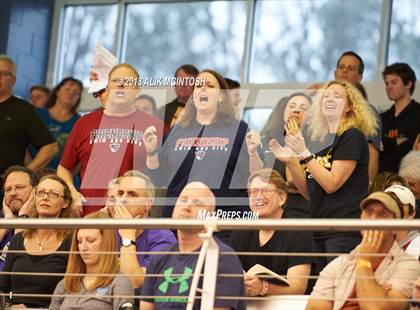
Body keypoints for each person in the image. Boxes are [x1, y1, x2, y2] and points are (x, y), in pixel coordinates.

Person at [143, 69, 263, 241]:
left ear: (221, 96)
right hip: (179, 225)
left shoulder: (239, 129)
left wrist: (252, 153)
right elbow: (158, 179)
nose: (203, 89)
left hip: (224, 226)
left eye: (210, 85)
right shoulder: (177, 131)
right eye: (198, 85)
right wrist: (151, 151)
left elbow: (256, 177)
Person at [270, 80, 378, 270]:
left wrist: (303, 152)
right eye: (326, 95)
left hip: (342, 229)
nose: (330, 98)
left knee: (338, 290)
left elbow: (332, 183)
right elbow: (308, 192)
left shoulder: (352, 135)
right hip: (318, 227)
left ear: (350, 107)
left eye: (337, 96)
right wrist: (291, 161)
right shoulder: (321, 141)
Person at [57, 63, 163, 215]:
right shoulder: (85, 123)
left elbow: (162, 178)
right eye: (115, 81)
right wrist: (72, 192)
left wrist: (152, 153)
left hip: (132, 218)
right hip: (89, 217)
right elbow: (64, 167)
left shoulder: (154, 126)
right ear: (107, 87)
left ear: (137, 92)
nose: (121, 84)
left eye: (127, 82)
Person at [139, 182, 246, 310]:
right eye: (183, 200)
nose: (187, 206)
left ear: (210, 217)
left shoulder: (223, 258)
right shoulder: (160, 257)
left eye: (198, 203)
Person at [306, 191, 420, 310]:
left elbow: (376, 308)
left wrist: (363, 261)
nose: (373, 219)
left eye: (383, 214)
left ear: (395, 228)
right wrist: (377, 292)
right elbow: (314, 308)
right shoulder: (340, 263)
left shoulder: (408, 265)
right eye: (369, 212)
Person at [230, 168, 317, 296]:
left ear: (281, 198)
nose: (258, 197)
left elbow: (298, 288)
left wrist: (263, 288)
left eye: (265, 191)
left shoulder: (299, 232)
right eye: (253, 192)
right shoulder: (239, 233)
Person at [0, 174, 74, 308]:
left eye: (53, 194)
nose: (45, 197)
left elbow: (74, 295)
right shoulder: (19, 238)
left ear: (65, 203)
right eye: (40, 193)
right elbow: (2, 286)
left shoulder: (72, 241)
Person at [309, 51, 382, 182]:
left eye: (351, 69)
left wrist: (368, 186)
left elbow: (371, 154)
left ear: (360, 77)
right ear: (335, 73)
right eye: (341, 67)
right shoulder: (320, 111)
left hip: (349, 189)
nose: (344, 72)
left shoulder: (367, 112)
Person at [104, 170, 176, 292]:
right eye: (120, 193)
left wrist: (128, 235)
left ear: (148, 203)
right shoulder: (105, 229)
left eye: (132, 195)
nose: (123, 199)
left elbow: (134, 282)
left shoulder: (163, 237)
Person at [49, 211, 134, 310]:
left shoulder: (119, 282)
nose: (83, 248)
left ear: (106, 242)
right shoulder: (66, 283)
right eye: (79, 241)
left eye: (91, 241)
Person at [0, 55, 58, 176]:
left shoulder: (23, 110)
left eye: (3, 73)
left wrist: (24, 175)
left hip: (5, 188)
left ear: (13, 80)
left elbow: (51, 147)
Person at [260, 93, 312, 218]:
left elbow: (293, 183)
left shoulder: (314, 143)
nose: (296, 110)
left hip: (303, 212)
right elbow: (261, 178)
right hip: (273, 210)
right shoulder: (270, 142)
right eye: (292, 106)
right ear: (284, 112)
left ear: (311, 117)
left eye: (303, 108)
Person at [30, 77, 83, 169]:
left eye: (76, 92)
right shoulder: (36, 113)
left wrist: (61, 175)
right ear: (57, 91)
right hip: (31, 169)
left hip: (60, 176)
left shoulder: (81, 123)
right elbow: (23, 144)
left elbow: (81, 157)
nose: (71, 93)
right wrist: (30, 169)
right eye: (67, 89)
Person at [380, 62, 420, 173]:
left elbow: (414, 148)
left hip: (409, 179)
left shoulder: (418, 114)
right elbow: (376, 148)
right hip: (382, 177)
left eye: (394, 82)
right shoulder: (382, 118)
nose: (388, 87)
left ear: (408, 84)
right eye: (387, 83)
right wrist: (396, 141)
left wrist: (387, 143)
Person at [0, 166, 39, 270]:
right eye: (8, 189)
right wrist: (7, 220)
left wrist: (23, 217)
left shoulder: (43, 221)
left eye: (19, 187)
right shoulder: (2, 218)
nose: (12, 193)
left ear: (35, 191)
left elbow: (18, 262)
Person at [157, 64, 199, 130]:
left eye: (189, 81)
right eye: (180, 80)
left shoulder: (203, 110)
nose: (183, 84)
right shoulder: (162, 111)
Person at [384, 185, 419, 258]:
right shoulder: (373, 242)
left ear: (411, 214)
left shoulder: (417, 246)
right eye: (387, 203)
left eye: (398, 204)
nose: (392, 208)